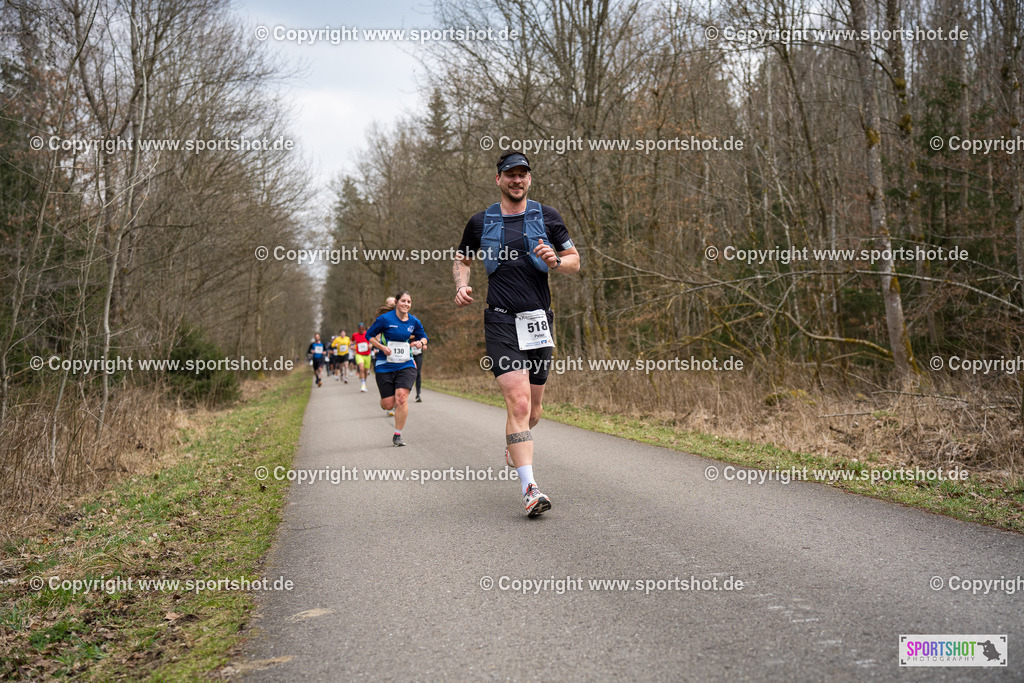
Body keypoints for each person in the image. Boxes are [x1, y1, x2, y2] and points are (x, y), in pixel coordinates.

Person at [453, 151, 580, 517]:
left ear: (530, 179)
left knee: (535, 408)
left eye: (523, 174)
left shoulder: (547, 216)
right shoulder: (481, 222)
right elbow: (462, 258)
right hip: (500, 320)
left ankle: (515, 441)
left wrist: (556, 261)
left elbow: (574, 260)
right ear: (499, 179)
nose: (517, 180)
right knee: (519, 403)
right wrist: (462, 284)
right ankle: (530, 489)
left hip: (538, 321)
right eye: (510, 174)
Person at [366, 291, 428, 446]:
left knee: (401, 398)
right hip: (384, 364)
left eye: (409, 301)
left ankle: (397, 434)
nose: (406, 304)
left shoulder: (414, 321)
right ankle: (385, 401)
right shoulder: (385, 319)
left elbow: (424, 337)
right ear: (397, 302)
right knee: (388, 404)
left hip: (406, 363)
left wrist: (421, 342)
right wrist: (381, 347)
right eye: (403, 301)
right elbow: (369, 335)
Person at [351, 322, 373, 392]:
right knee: (361, 367)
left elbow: (373, 341)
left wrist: (371, 345)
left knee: (366, 371)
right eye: (360, 329)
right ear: (358, 329)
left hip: (367, 355)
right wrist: (351, 346)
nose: (361, 330)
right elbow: (351, 342)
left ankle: (364, 383)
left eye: (362, 329)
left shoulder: (368, 333)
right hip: (359, 354)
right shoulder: (354, 335)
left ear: (364, 328)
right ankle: (363, 384)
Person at [411, 334, 424, 402]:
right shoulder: (407, 330)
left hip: (418, 355)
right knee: (409, 373)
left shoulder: (419, 332)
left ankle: (418, 394)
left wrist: (424, 345)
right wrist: (410, 343)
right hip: (409, 355)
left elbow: (424, 340)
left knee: (418, 373)